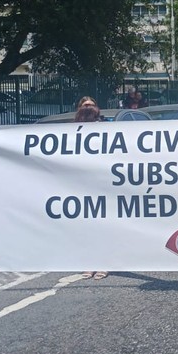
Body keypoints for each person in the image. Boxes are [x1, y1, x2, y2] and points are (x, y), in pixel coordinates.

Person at [74, 98, 109, 280]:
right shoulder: (68, 131)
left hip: (102, 183)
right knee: (85, 226)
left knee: (102, 224)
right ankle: (89, 262)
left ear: (97, 108)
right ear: (79, 108)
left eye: (91, 105)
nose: (87, 107)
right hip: (79, 185)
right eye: (84, 105)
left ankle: (104, 263)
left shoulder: (107, 127)